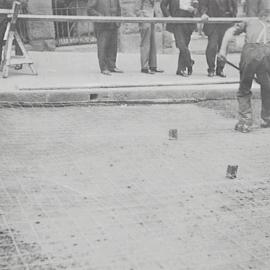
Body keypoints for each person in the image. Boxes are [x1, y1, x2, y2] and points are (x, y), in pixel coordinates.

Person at [218, 7, 270, 132]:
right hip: (267, 52)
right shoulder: (254, 21)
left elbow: (229, 32)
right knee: (267, 87)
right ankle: (267, 119)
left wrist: (222, 51)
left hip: (250, 53)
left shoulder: (250, 21)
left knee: (244, 88)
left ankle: (245, 121)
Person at [200, 0, 238, 77]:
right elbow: (202, 4)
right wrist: (203, 14)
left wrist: (233, 15)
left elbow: (234, 5)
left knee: (223, 47)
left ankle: (220, 69)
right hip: (213, 23)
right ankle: (211, 69)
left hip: (226, 22)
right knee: (212, 46)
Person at [161, 0, 198, 77]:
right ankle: (189, 62)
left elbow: (197, 4)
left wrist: (194, 8)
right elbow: (163, 5)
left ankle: (181, 69)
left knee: (185, 45)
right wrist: (168, 16)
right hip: (176, 20)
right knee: (181, 44)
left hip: (189, 20)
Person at [87, 0, 123, 76]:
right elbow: (90, 9)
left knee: (113, 46)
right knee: (102, 47)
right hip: (102, 25)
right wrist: (100, 17)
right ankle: (104, 68)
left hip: (114, 24)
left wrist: (118, 21)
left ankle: (112, 66)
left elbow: (118, 8)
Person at [135, 0, 164, 74]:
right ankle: (144, 67)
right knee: (145, 43)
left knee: (153, 43)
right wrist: (142, 18)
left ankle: (153, 66)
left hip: (152, 18)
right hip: (145, 18)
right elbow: (137, 8)